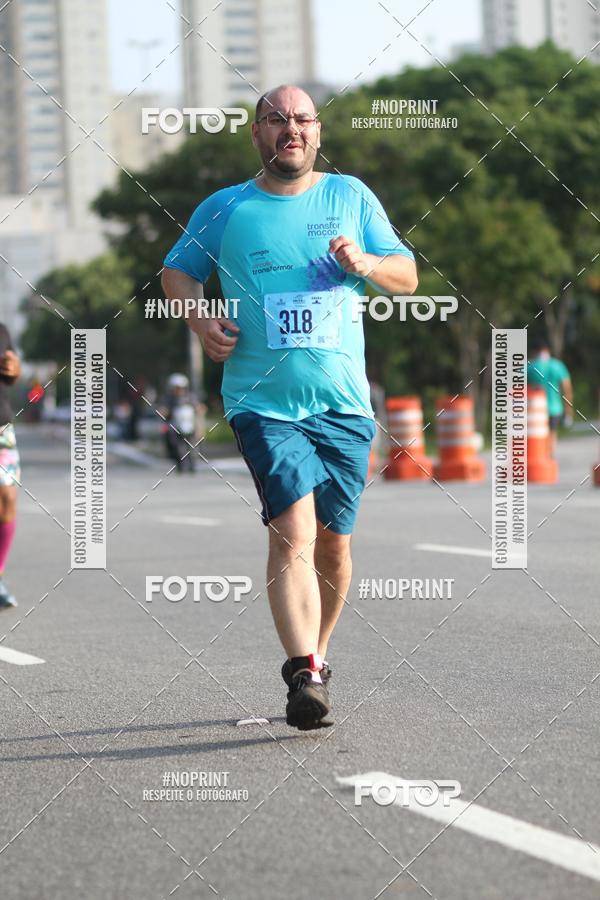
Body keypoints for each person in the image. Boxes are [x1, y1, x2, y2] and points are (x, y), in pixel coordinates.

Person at [162, 84, 418, 730]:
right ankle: (303, 670)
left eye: (302, 119)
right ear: (257, 134)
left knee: (334, 545)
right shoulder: (227, 208)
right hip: (263, 402)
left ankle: (318, 657)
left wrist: (366, 262)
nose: (291, 129)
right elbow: (177, 272)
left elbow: (408, 274)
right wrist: (200, 320)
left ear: (317, 132)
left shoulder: (350, 197)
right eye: (276, 119)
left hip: (345, 405)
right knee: (294, 532)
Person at [0, 324, 21, 609]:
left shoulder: (2, 331)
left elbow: (13, 373)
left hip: (1, 427)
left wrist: (15, 369)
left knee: (7, 499)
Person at [527, 340, 573, 458]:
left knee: (537, 436)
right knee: (552, 434)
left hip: (535, 409)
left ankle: (541, 457)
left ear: (534, 351)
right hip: (555, 408)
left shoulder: (530, 367)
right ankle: (549, 457)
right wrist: (568, 411)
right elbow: (567, 389)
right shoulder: (557, 365)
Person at [162, 373, 197, 473]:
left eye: (180, 388)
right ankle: (180, 464)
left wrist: (199, 409)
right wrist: (164, 411)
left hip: (189, 425)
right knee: (175, 444)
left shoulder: (190, 397)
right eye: (176, 388)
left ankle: (192, 465)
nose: (179, 390)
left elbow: (198, 407)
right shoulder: (169, 399)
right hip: (174, 426)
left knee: (191, 445)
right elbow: (163, 410)